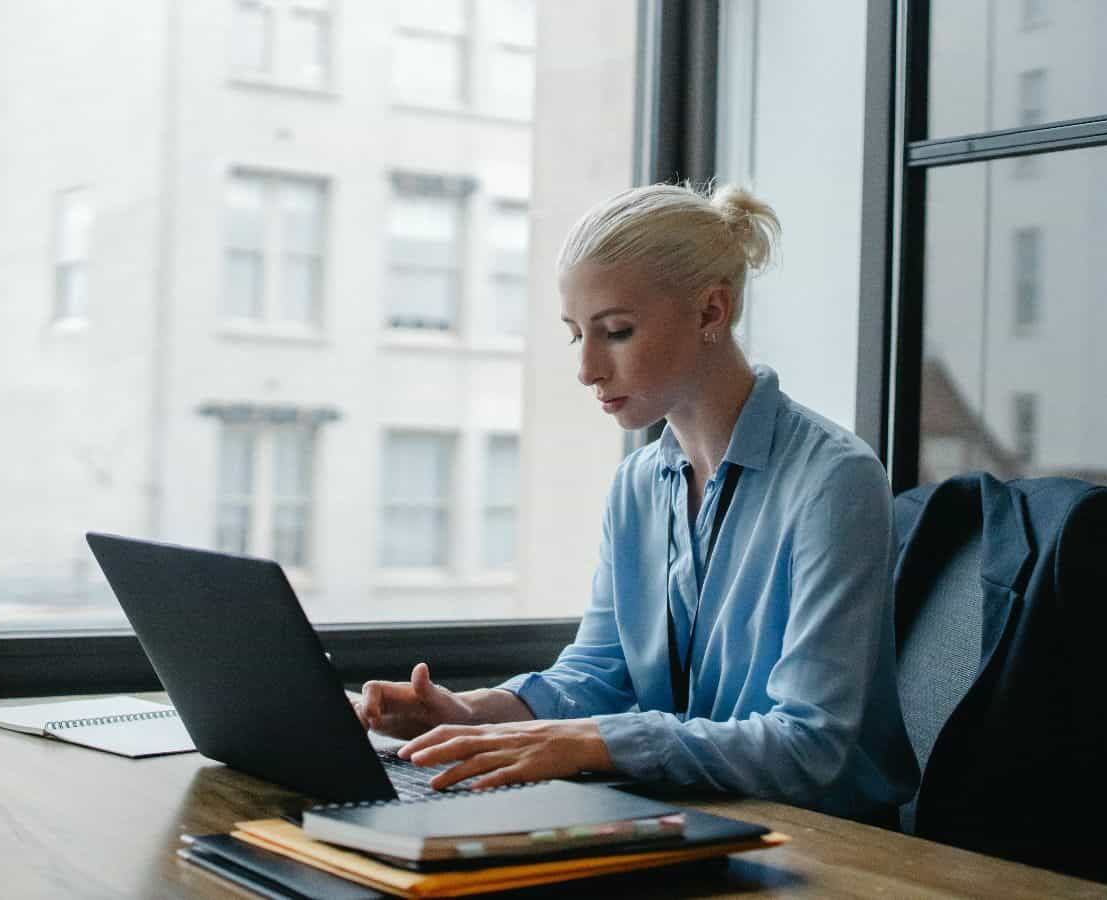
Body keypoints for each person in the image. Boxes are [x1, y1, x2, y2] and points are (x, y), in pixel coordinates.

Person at [356, 182, 919, 826]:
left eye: (616, 332)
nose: (588, 369)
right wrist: (475, 713)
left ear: (711, 312)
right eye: (577, 337)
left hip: (829, 844)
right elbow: (601, 673)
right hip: (688, 816)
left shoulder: (834, 480)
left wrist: (591, 743)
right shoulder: (637, 485)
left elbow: (809, 745)